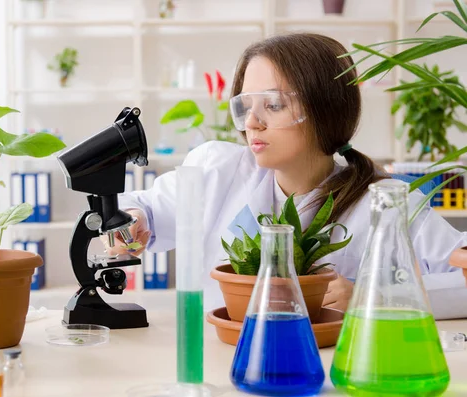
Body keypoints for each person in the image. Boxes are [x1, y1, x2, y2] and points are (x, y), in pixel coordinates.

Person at [106, 33, 467, 318]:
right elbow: (142, 209)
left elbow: (462, 283)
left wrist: (370, 296)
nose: (252, 122)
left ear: (325, 108)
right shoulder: (219, 168)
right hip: (218, 362)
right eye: (245, 106)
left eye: (273, 105)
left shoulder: (386, 201)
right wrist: (132, 221)